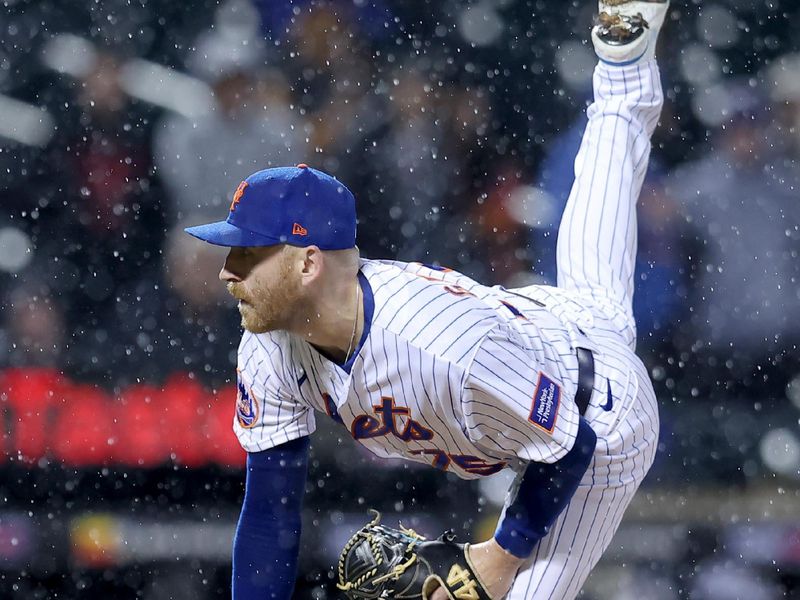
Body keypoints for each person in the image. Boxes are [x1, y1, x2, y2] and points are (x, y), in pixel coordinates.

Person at [185, 1, 669, 598]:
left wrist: (499, 555)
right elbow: (269, 517)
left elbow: (571, 446)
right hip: (550, 332)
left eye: (248, 254)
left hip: (597, 414)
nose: (228, 271)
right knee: (597, 224)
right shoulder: (267, 348)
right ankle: (622, 69)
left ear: (309, 263)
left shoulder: (438, 341)